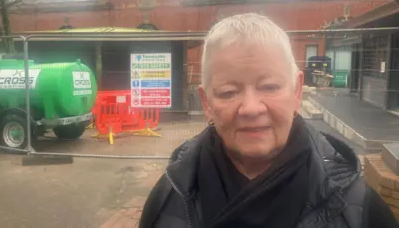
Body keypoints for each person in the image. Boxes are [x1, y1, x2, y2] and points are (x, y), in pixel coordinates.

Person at [139, 14, 399, 228]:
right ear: (206, 103)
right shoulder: (169, 199)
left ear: (297, 91)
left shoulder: (358, 208)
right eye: (228, 92)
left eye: (270, 86)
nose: (251, 108)